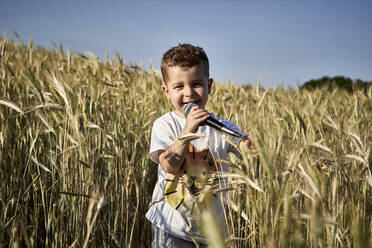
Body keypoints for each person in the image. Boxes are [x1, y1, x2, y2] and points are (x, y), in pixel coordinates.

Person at [146, 44, 252, 247]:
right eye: (179, 86)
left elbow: (246, 149)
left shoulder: (222, 128)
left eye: (196, 84)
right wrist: (188, 129)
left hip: (212, 231)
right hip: (172, 227)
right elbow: (168, 164)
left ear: (209, 85)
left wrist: (249, 147)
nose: (189, 93)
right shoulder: (164, 124)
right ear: (166, 91)